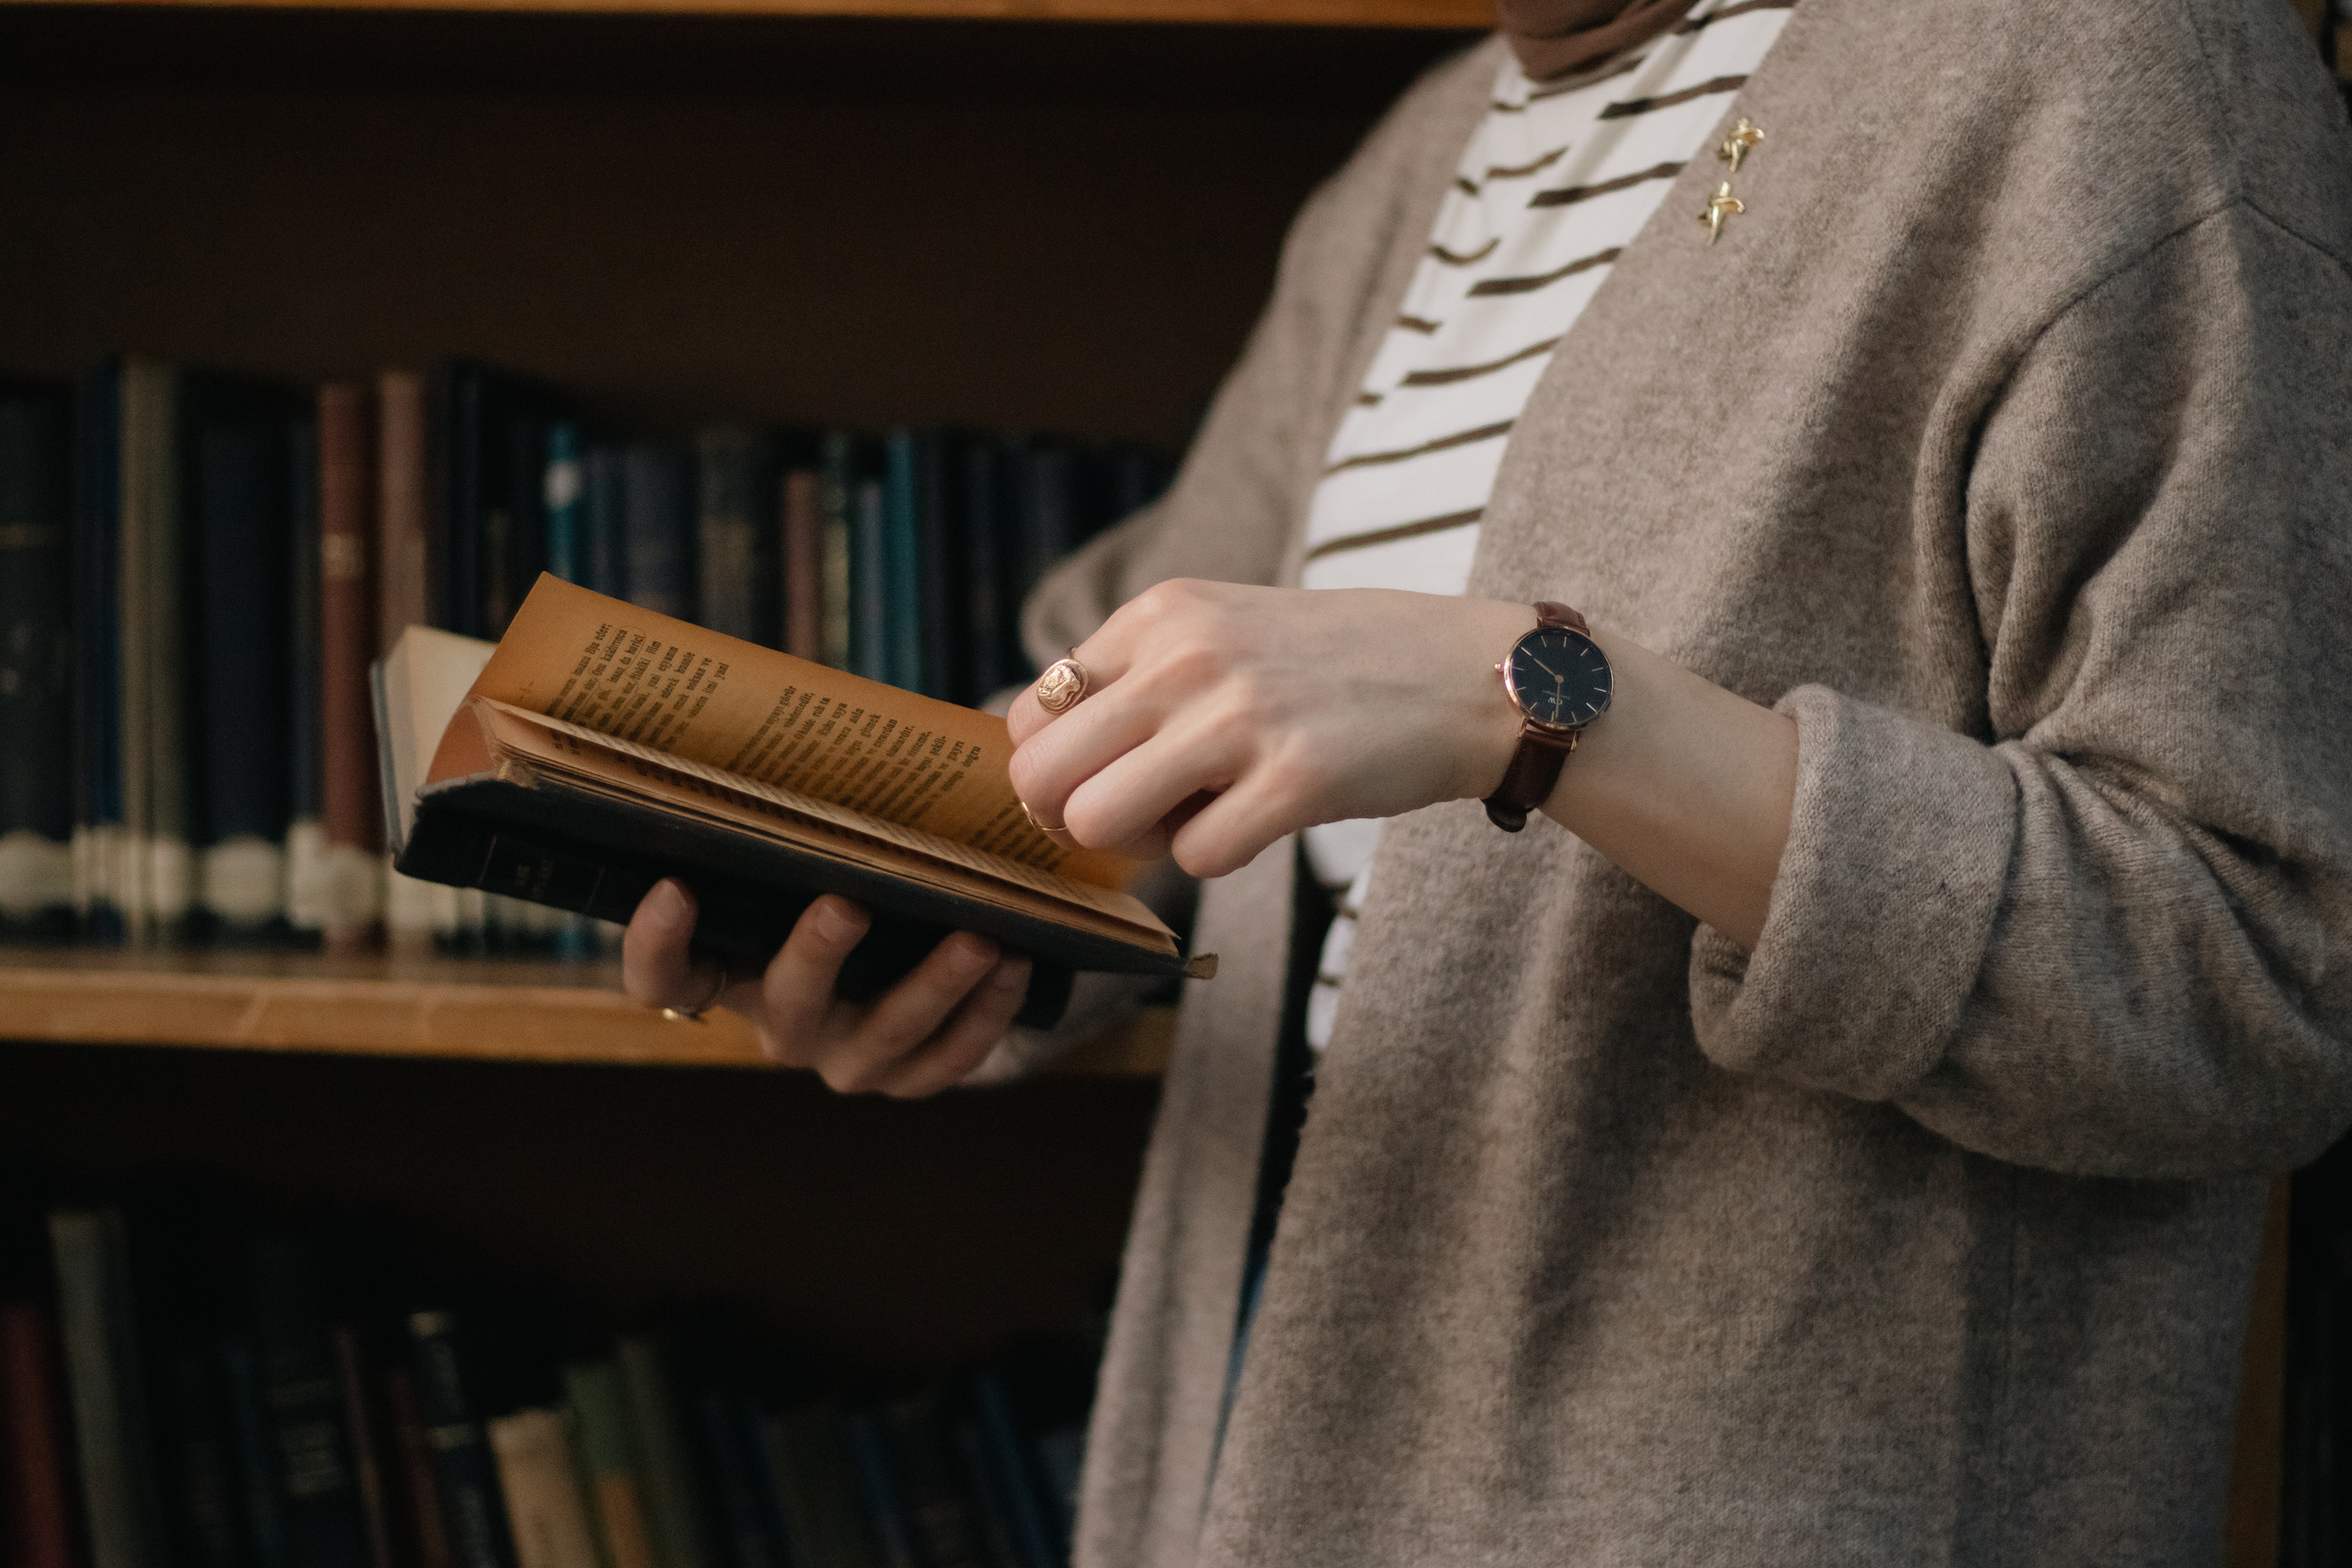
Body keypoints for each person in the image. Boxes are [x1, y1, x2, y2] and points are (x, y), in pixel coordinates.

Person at [624, 0, 2352, 1560]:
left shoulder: (2116, 66)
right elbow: (1116, 742)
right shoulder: (1421, 162)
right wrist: (917, 922)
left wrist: (1528, 701)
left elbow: (2265, 970)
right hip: (1259, 1455)